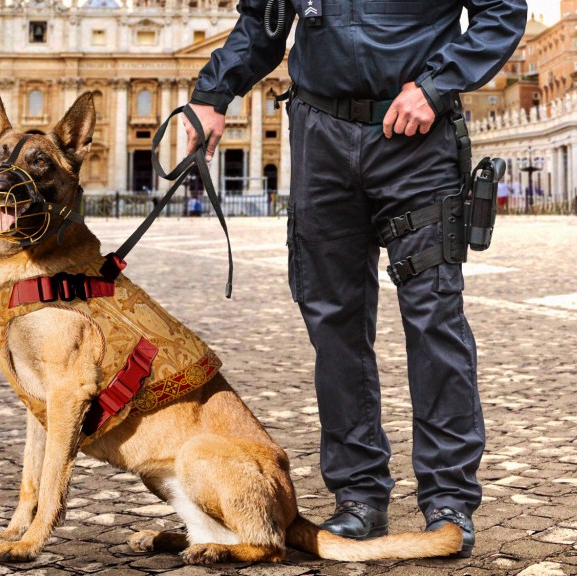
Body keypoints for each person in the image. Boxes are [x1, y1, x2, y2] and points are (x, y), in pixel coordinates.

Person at [186, 0, 527, 558]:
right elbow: (263, 23)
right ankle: (359, 495)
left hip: (417, 142)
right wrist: (212, 94)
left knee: (435, 318)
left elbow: (502, 13)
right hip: (320, 137)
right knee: (333, 325)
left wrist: (436, 86)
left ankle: (448, 498)